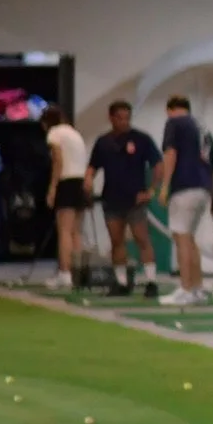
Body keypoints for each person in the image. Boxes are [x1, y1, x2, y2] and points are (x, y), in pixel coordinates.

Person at [86, 101, 161, 292]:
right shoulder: (103, 142)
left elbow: (158, 165)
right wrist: (88, 180)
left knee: (142, 238)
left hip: (135, 198)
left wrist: (151, 190)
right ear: (111, 118)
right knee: (116, 240)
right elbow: (93, 166)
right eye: (119, 118)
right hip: (111, 198)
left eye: (127, 118)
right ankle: (121, 282)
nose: (124, 122)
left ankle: (151, 281)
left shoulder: (141, 139)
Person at [151, 95, 213, 305]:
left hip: (184, 186)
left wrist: (165, 186)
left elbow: (171, 154)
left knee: (181, 238)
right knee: (190, 239)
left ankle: (186, 289)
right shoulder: (203, 128)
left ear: (169, 109)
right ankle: (197, 288)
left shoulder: (174, 123)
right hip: (203, 188)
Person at [40, 106, 91, 287]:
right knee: (76, 231)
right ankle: (77, 273)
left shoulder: (54, 133)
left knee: (64, 231)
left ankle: (65, 273)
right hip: (80, 182)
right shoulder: (74, 133)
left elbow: (58, 161)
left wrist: (52, 188)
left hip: (66, 182)